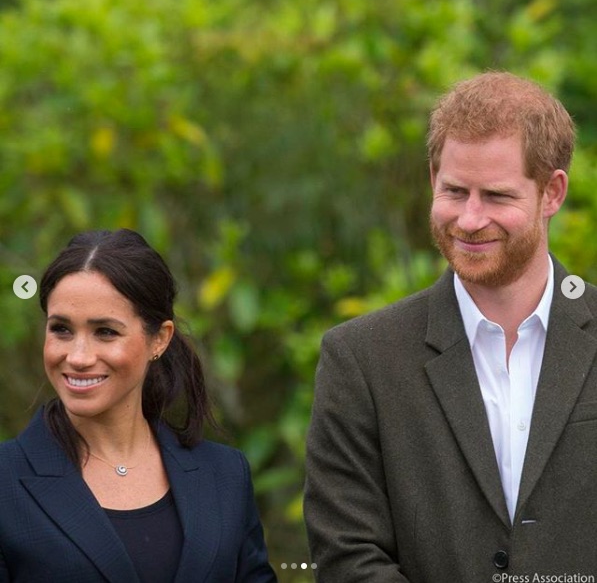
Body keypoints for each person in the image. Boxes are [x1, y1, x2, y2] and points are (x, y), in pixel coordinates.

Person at [304, 71, 597, 582]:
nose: (469, 219)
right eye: (455, 191)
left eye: (497, 196)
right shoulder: (359, 359)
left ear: (552, 192)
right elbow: (348, 557)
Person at [0, 229, 277, 583]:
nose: (78, 356)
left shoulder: (225, 475)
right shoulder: (7, 480)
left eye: (105, 332)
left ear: (159, 339)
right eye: (61, 330)